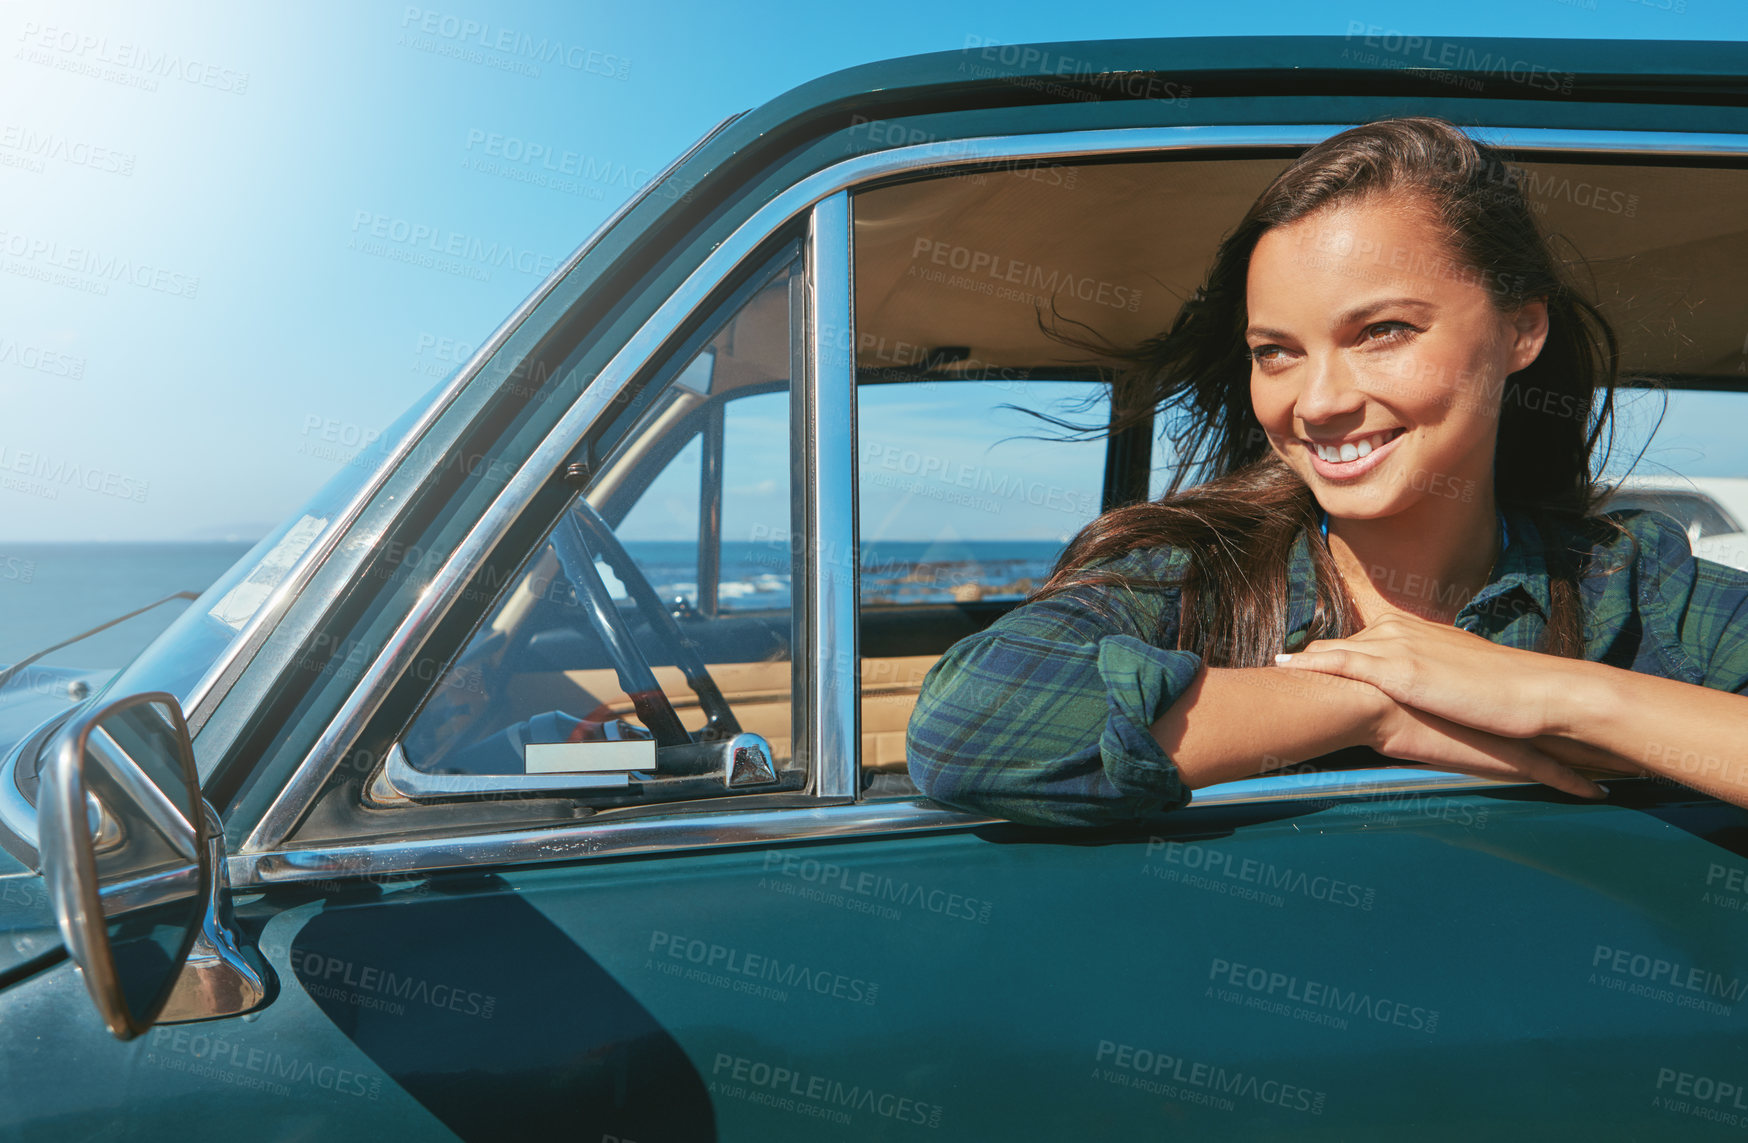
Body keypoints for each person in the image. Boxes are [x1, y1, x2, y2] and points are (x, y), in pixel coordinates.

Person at [904, 116, 1748, 828]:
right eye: (1276, 352)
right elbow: (966, 726)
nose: (1318, 401)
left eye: (1382, 331)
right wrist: (1375, 704)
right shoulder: (1199, 575)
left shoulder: (1628, 586)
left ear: (1521, 332)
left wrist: (1559, 696)